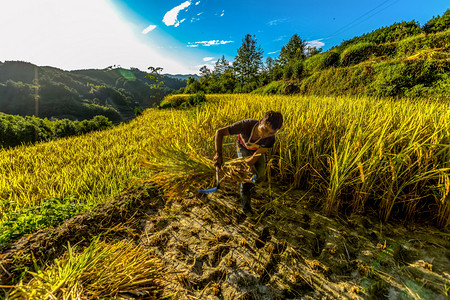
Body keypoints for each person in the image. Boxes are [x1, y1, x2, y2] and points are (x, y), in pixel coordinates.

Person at [213, 111, 283, 213]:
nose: (265, 135)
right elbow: (220, 132)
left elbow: (255, 158)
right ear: (260, 122)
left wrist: (237, 167)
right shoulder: (246, 125)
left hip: (257, 152)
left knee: (260, 174)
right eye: (264, 129)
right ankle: (246, 207)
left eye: (271, 133)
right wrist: (218, 154)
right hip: (243, 147)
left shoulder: (270, 139)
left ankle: (251, 185)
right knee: (246, 177)